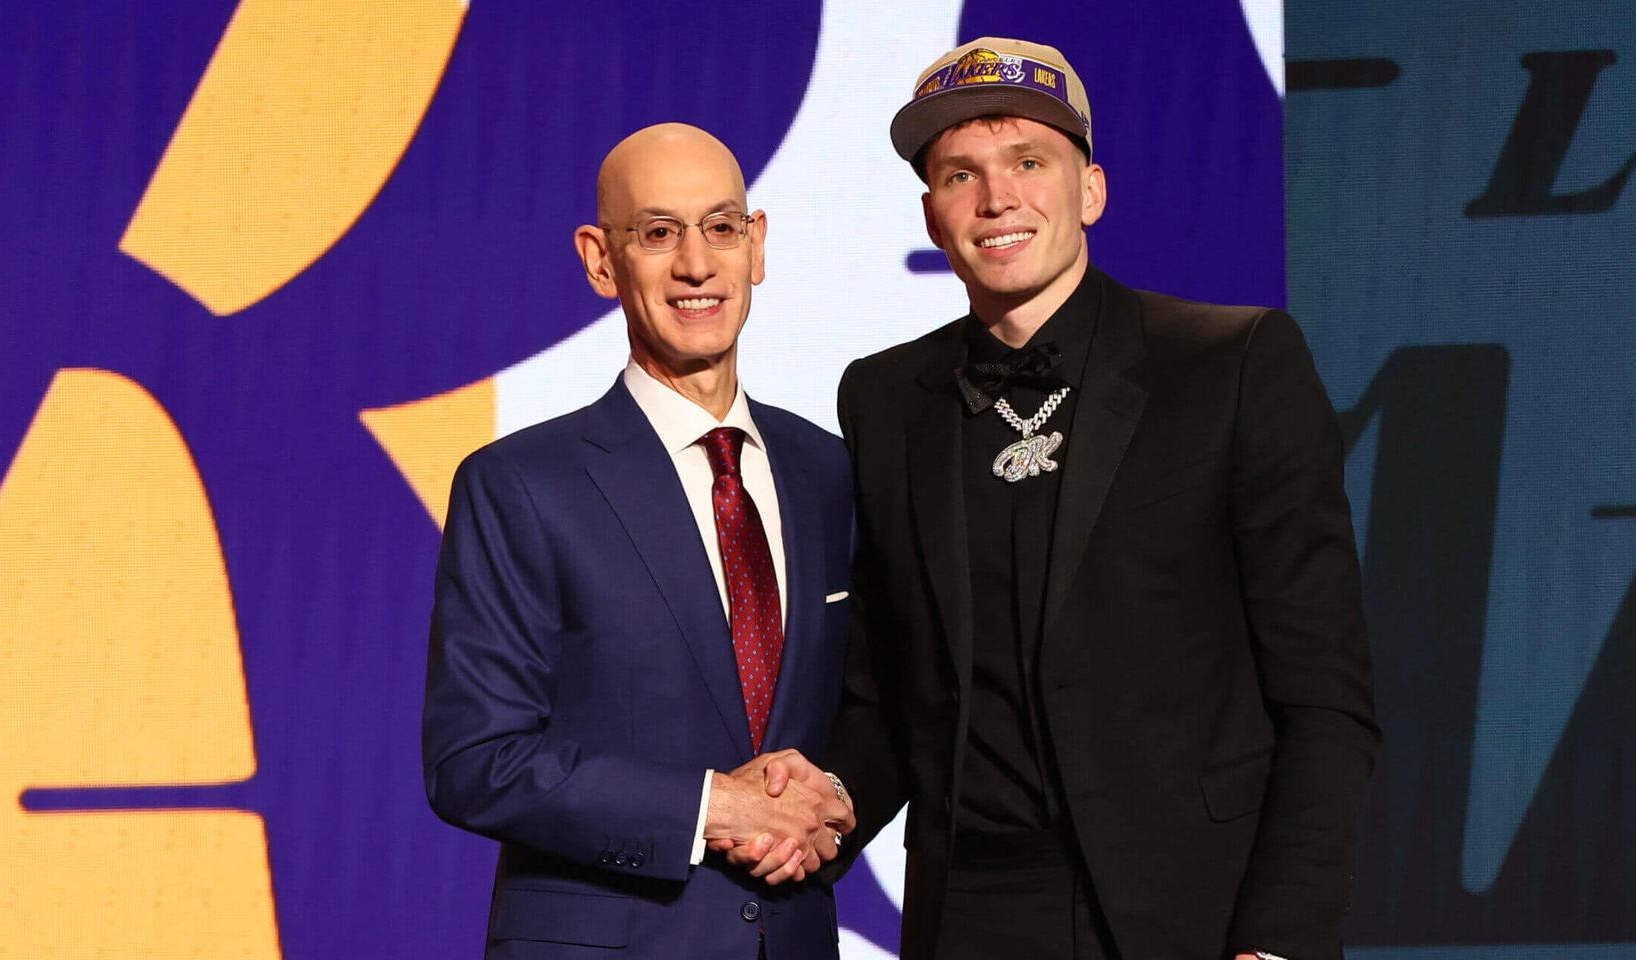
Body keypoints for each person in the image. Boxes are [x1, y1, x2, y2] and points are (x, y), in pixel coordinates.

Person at [807, 37, 1378, 960]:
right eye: (961, 173)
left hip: (1192, 916)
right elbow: (889, 696)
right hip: (971, 915)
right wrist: (815, 812)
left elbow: (1324, 697)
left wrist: (1279, 940)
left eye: (1029, 162)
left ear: (1092, 188)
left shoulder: (1232, 365)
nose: (997, 199)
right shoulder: (884, 398)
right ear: (930, 212)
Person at [422, 122, 857, 959]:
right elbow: (475, 759)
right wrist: (709, 808)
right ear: (598, 259)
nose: (697, 264)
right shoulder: (521, 484)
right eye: (658, 233)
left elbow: (873, 706)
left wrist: (832, 800)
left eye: (721, 227)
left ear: (756, 245)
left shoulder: (825, 470)